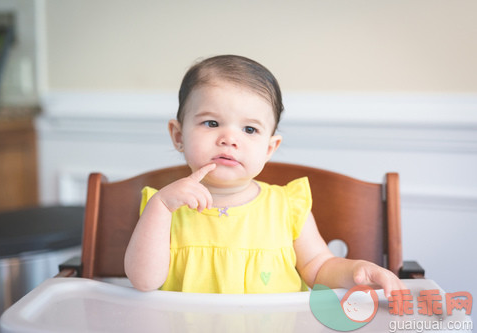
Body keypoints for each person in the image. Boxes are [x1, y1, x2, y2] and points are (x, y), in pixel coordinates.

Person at [124, 54, 404, 296]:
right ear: (178, 136)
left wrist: (356, 270)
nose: (229, 139)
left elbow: (318, 268)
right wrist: (159, 208)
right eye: (211, 123)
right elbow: (145, 282)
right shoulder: (164, 207)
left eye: (249, 130)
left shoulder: (287, 206)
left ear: (270, 148)